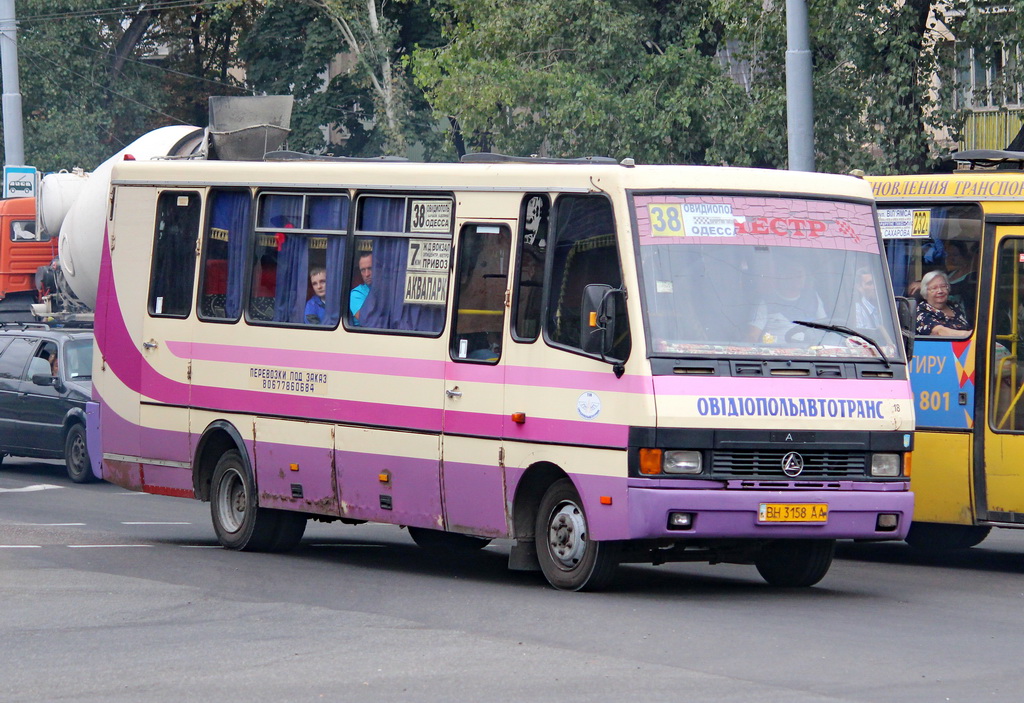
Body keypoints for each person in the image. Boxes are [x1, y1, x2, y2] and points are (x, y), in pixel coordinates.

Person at [748, 259, 826, 343]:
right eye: (794, 274)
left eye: (801, 274)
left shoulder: (813, 298)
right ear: (782, 276)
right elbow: (752, 336)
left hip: (809, 354)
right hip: (777, 354)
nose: (800, 278)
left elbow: (824, 329)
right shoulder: (767, 302)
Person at [915, 269, 971, 336]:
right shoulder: (921, 311)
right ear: (925, 292)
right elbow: (939, 332)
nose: (940, 291)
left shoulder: (954, 306)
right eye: (934, 288)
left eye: (943, 286)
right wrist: (969, 334)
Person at [350, 252, 372, 324]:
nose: (367, 274)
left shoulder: (387, 290)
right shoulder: (356, 294)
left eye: (370, 268)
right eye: (363, 270)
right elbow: (366, 320)